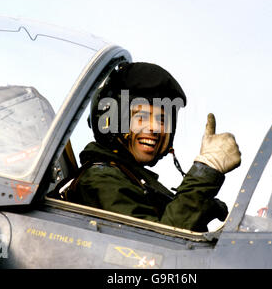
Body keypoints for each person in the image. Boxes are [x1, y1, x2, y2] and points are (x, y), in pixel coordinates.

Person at [60, 62, 241, 232]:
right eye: (142, 117)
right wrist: (206, 170)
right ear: (113, 121)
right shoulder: (101, 179)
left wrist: (206, 207)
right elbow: (159, 244)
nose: (154, 128)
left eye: (162, 120)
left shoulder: (133, 180)